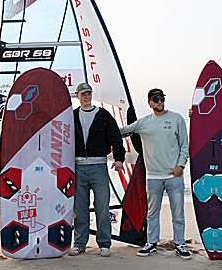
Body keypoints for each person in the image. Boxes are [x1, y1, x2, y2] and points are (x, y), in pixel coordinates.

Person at [119, 88, 191, 259]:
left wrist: (181, 166)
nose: (160, 102)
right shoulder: (143, 122)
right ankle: (151, 243)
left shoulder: (176, 119)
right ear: (149, 102)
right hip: (152, 176)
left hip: (173, 175)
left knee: (178, 214)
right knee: (152, 213)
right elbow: (121, 132)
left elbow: (184, 146)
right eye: (156, 99)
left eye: (162, 99)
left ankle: (180, 244)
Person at [68, 83, 125, 257]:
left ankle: (104, 244)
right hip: (78, 166)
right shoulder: (72, 116)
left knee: (102, 207)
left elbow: (116, 138)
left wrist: (119, 159)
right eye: (83, 94)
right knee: (80, 209)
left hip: (99, 166)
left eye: (89, 94)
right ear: (77, 96)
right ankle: (79, 243)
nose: (86, 97)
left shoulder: (103, 115)